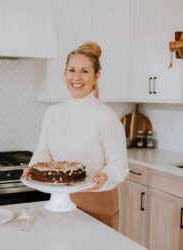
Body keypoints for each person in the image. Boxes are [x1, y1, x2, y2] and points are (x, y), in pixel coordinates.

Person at [22, 41, 129, 230]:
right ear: (65, 74)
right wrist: (32, 167)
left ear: (97, 76)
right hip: (59, 201)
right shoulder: (53, 112)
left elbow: (120, 164)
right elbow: (43, 151)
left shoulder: (106, 116)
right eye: (71, 70)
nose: (76, 77)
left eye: (85, 71)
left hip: (97, 201)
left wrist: (105, 175)